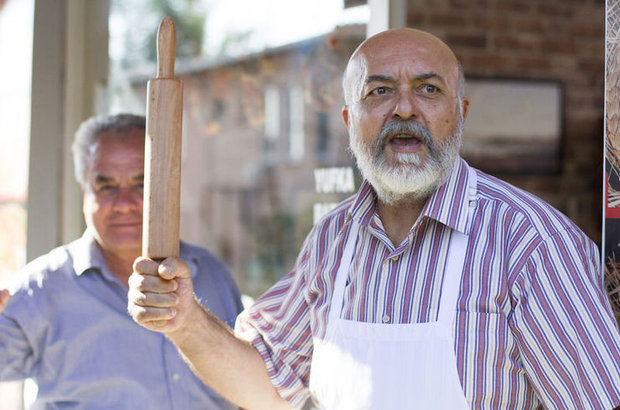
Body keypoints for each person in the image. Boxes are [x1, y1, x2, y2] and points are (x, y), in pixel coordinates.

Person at [128, 29, 620, 409]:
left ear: (461, 113)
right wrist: (184, 319)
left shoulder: (530, 243)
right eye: (379, 91)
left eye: (428, 89)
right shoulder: (332, 238)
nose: (404, 108)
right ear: (349, 121)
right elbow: (264, 383)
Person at [0, 114, 244, 409]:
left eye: (142, 185)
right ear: (84, 190)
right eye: (106, 186)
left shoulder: (211, 273)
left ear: (168, 187)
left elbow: (249, 389)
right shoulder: (39, 289)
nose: (125, 204)